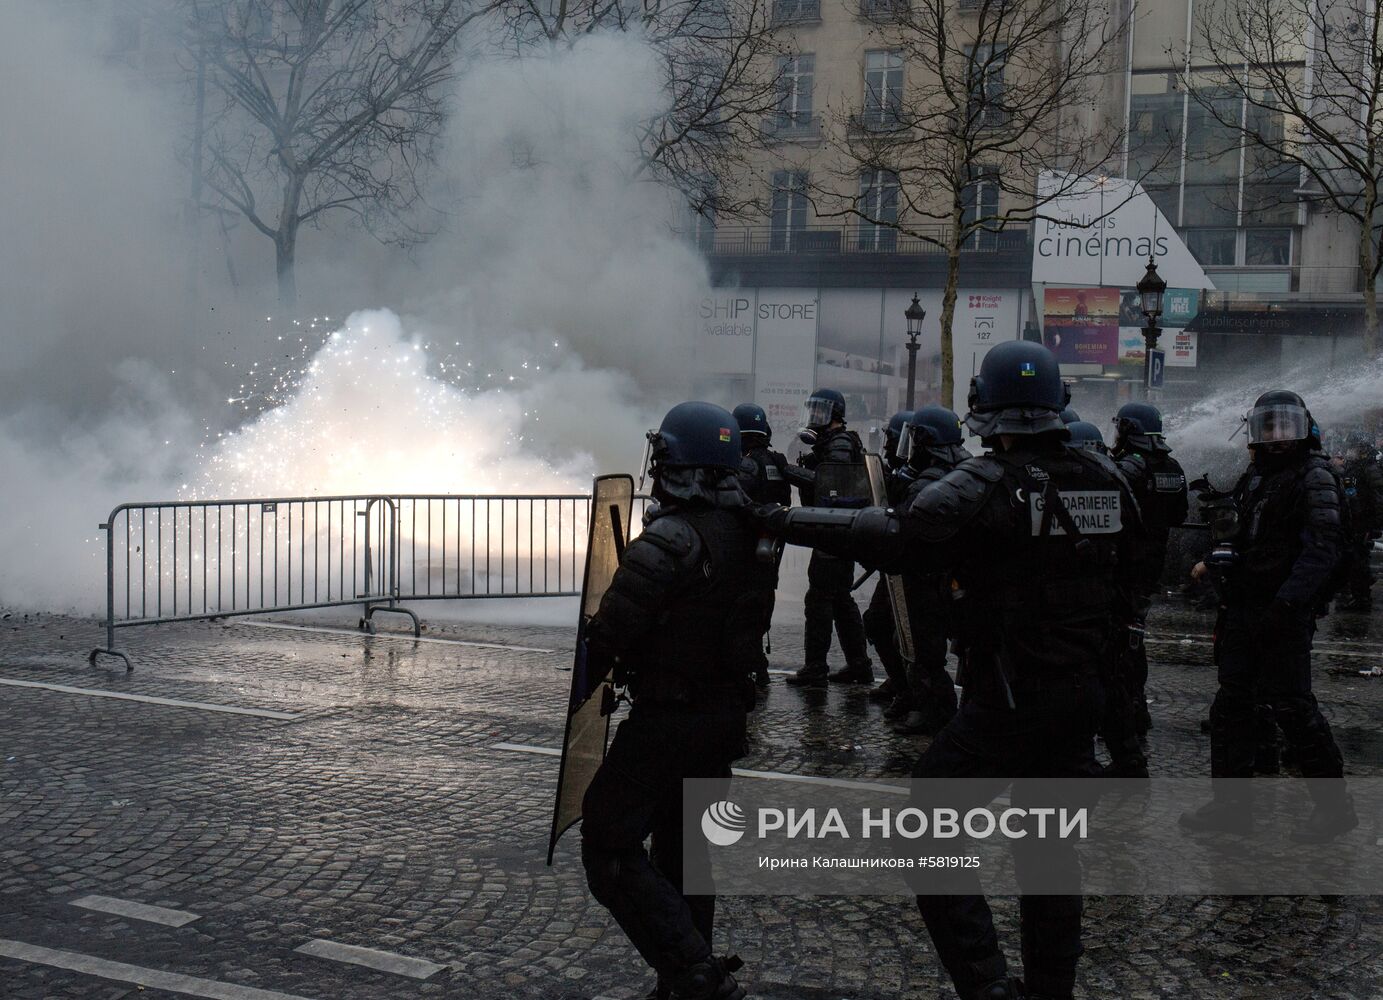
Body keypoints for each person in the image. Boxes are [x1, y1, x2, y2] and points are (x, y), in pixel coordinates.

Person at [759, 341, 1146, 1000]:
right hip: (1079, 693)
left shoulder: (984, 483)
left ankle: (986, 985)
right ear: (1057, 403)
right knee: (1047, 848)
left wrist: (781, 519)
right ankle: (1049, 989)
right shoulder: (1106, 478)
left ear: (982, 408)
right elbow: (1134, 573)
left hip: (1008, 696)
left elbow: (893, 535)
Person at [580, 401, 764, 1000]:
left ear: (674, 464)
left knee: (608, 840)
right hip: (723, 717)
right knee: (686, 851)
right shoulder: (747, 532)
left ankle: (693, 972)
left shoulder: (671, 538)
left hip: (667, 718)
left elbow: (611, 630)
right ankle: (684, 981)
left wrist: (589, 672)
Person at [1180, 390, 1356, 843]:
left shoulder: (1314, 477)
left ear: (1303, 429)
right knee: (1232, 705)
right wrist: (1215, 560)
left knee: (1294, 708)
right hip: (1244, 607)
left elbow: (1323, 549)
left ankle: (1335, 809)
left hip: (1282, 613)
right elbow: (1240, 534)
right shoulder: (1257, 477)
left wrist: (1288, 607)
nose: (1276, 437)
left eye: (1285, 427)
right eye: (1268, 427)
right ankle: (1231, 806)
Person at [888, 404, 970, 735]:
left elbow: (904, 525)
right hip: (952, 574)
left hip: (927, 575)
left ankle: (935, 709)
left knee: (924, 647)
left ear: (926, 441)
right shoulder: (965, 470)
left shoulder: (927, 483)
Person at [783, 388, 873, 688]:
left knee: (819, 599)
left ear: (832, 414)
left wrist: (788, 472)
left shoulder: (841, 444)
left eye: (818, 410)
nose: (813, 416)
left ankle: (816, 667)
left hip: (835, 533)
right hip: (839, 531)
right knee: (840, 599)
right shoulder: (834, 443)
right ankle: (859, 665)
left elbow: (829, 484)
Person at [1109, 403, 1188, 733]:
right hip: (1152, 565)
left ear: (1128, 429)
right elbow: (1179, 515)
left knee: (1117, 640)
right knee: (1133, 635)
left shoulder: (1129, 467)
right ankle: (1134, 707)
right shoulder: (1172, 466)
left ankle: (1127, 713)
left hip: (1123, 564)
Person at [733, 402, 791, 691]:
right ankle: (758, 669)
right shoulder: (776, 461)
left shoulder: (746, 464)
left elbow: (736, 502)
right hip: (770, 549)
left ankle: (750, 672)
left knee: (743, 612)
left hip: (746, 550)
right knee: (761, 608)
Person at [863, 410, 915, 715]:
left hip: (914, 570)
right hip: (896, 566)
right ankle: (901, 683)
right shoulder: (903, 475)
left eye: (893, 440)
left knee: (913, 636)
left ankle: (915, 693)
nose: (888, 447)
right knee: (877, 622)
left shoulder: (921, 479)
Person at [1334, 431, 1383, 612]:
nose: (1348, 452)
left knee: (1358, 560)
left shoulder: (1369, 468)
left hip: (1363, 522)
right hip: (1354, 521)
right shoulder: (1356, 465)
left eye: (1351, 448)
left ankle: (1362, 598)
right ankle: (1359, 591)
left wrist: (1374, 525)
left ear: (1360, 449)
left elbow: (1378, 497)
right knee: (1354, 558)